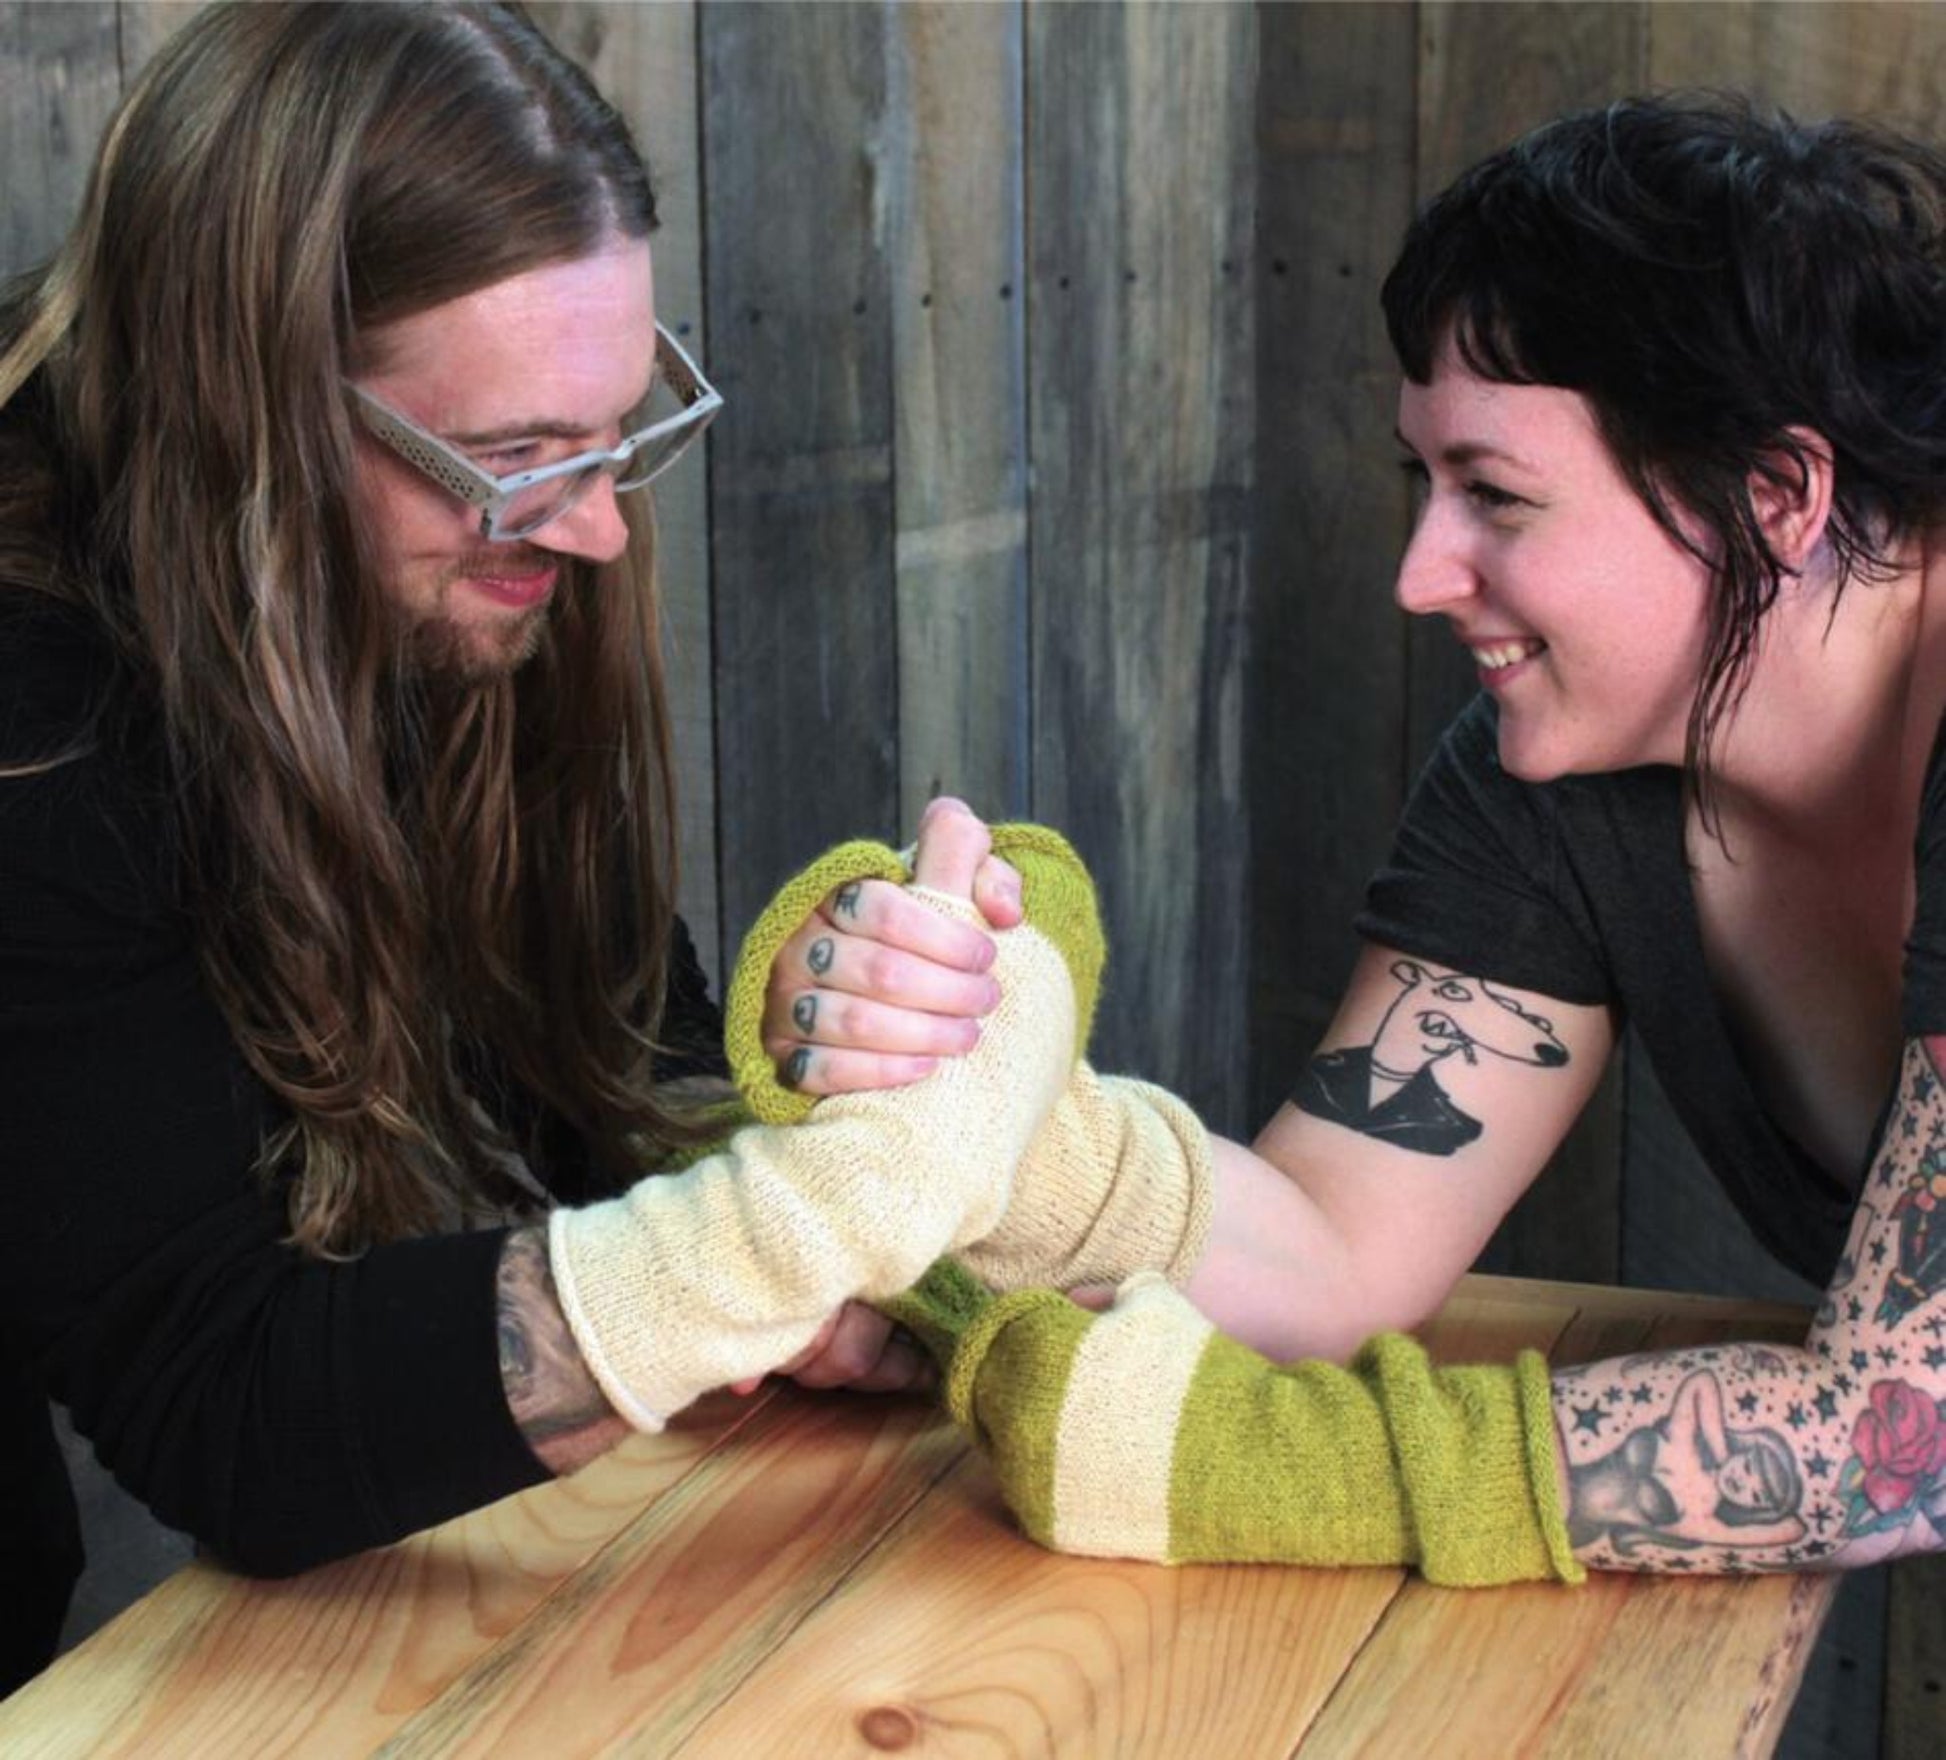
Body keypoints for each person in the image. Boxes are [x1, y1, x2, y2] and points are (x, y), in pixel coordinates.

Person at [0, 1, 1057, 1695]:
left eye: (621, 426)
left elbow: (608, 1071)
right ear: (250, 409)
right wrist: (765, 1246)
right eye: (513, 461)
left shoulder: (457, 563)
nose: (595, 522)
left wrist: (812, 1070)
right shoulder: (35, 716)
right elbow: (226, 1411)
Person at [756, 95, 1946, 1580]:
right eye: (1423, 482)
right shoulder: (1564, 766)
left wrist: (1228, 1466)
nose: (1419, 574)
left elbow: (1899, 1434)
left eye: (1494, 496)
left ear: (1773, 495)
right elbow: (1329, 1246)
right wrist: (969, 1146)